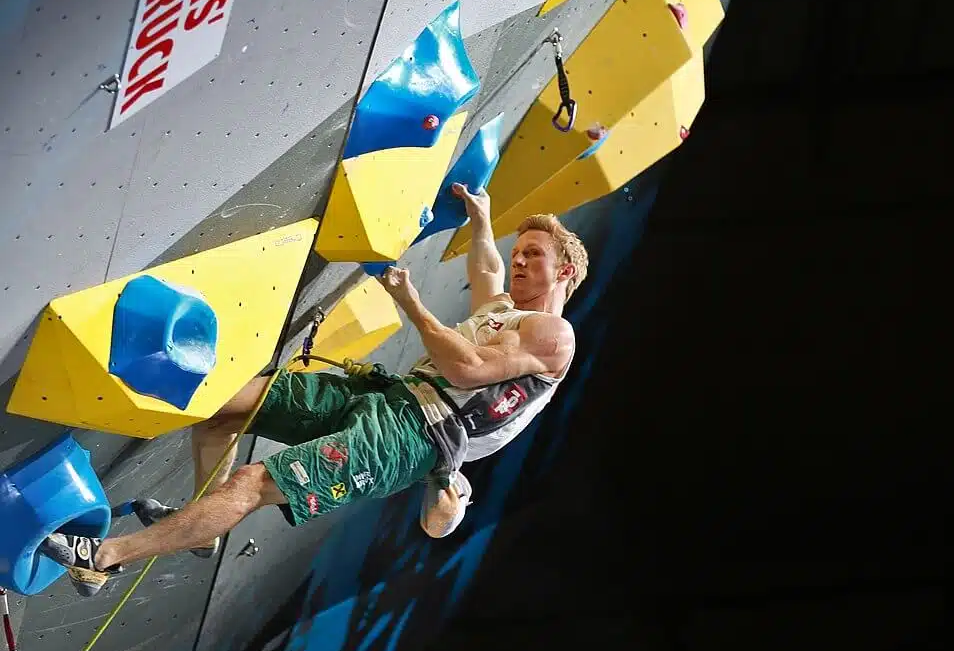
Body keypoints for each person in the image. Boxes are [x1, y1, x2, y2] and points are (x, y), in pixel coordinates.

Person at [41, 183, 590, 597]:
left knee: (253, 482)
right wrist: (483, 218)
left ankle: (105, 558)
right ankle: (200, 529)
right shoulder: (502, 310)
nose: (518, 259)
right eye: (520, 250)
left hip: (411, 439)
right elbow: (488, 264)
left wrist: (410, 301)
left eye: (534, 254)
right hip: (387, 397)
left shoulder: (554, 336)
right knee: (223, 406)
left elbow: (467, 368)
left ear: (564, 269)